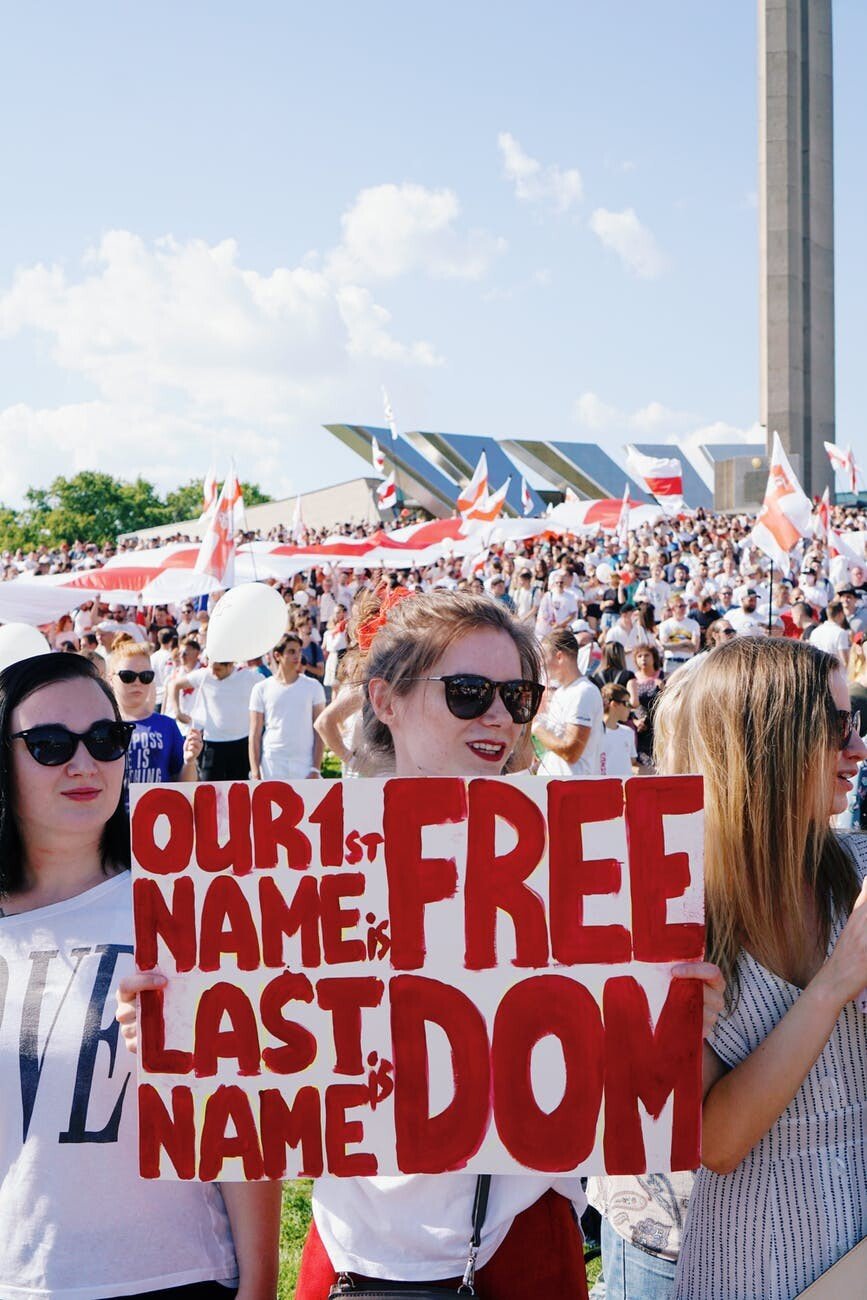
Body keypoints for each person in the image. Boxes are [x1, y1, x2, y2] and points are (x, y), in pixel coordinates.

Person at [117, 589, 724, 1298]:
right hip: (351, 1251)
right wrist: (184, 1026)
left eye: (518, 695)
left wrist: (664, 1031)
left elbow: (613, 1090)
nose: (498, 715)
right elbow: (260, 1085)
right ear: (384, 699)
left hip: (517, 1242)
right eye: (468, 692)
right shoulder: (303, 861)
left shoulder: (583, 864)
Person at [0, 652, 280, 1299]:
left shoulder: (187, 901)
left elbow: (245, 1113)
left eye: (104, 739)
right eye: (48, 745)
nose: (83, 763)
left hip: (177, 1274)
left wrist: (260, 1285)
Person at [662, 637, 867, 1300]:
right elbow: (716, 1143)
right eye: (836, 730)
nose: (856, 751)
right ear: (768, 745)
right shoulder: (676, 916)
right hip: (757, 1258)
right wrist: (835, 984)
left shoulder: (854, 875)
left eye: (856, 726)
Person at [109, 639, 201, 791]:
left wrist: (189, 762)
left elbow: (186, 786)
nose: (137, 682)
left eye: (145, 676)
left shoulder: (167, 726)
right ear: (111, 679)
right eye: (128, 676)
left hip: (159, 812)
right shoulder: (101, 726)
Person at [166, 658, 260, 781]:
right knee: (209, 787)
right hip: (212, 743)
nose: (214, 673)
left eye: (218, 669)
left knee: (240, 789)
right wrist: (177, 712)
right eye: (212, 668)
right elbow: (174, 685)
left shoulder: (248, 676)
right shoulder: (204, 675)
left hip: (241, 743)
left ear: (230, 664)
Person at [248, 632, 326, 780]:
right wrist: (255, 771)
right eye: (291, 652)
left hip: (305, 763)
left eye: (299, 651)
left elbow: (319, 731)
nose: (297, 656)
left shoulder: (313, 686)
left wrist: (316, 768)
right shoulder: (261, 688)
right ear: (277, 656)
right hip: (272, 763)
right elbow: (254, 733)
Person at [534, 628, 603, 776]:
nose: (541, 664)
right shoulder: (560, 693)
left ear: (559, 657)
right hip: (553, 786)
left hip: (573, 790)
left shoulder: (584, 691)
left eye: (544, 658)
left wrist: (536, 728)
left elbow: (571, 752)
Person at [598, 683, 638, 776]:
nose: (630, 708)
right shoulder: (594, 732)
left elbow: (633, 762)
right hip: (603, 787)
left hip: (624, 789)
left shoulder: (628, 732)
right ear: (614, 704)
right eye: (627, 703)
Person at [589, 641, 639, 708]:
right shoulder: (628, 675)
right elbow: (634, 702)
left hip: (603, 715)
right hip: (622, 716)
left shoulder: (596, 676)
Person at [657, 597, 700, 671]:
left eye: (684, 606)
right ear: (673, 608)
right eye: (680, 606)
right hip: (671, 662)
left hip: (688, 662)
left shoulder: (694, 624)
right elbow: (665, 646)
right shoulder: (665, 625)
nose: (683, 608)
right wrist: (685, 643)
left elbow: (694, 648)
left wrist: (673, 645)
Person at [808, 598, 851, 666]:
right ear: (840, 614)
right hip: (836, 673)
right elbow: (845, 661)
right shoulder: (841, 633)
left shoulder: (815, 632)